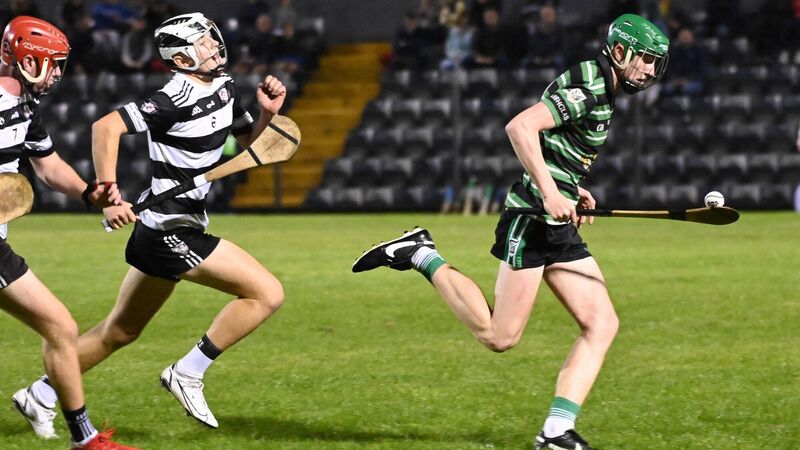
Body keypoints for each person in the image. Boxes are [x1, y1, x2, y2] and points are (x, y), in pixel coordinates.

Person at [353, 13, 669, 450]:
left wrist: (571, 188)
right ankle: (419, 253)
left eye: (655, 63)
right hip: (533, 221)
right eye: (645, 59)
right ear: (619, 51)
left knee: (601, 323)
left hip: (556, 225)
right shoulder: (591, 89)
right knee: (499, 337)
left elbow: (556, 146)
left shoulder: (601, 85)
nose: (650, 70)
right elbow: (520, 127)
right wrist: (550, 193)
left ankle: (555, 432)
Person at [15, 12, 287, 431]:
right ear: (181, 58)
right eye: (203, 42)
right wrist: (109, 194)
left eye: (211, 38)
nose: (214, 45)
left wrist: (267, 114)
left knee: (119, 332)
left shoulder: (226, 86)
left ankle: (42, 394)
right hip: (168, 229)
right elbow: (105, 127)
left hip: (172, 225)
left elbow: (249, 146)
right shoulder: (173, 98)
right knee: (266, 293)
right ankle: (188, 372)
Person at [0, 16, 136, 450]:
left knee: (61, 328)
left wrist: (90, 194)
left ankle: (84, 437)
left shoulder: (24, 104)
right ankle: (86, 440)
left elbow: (46, 163)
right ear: (28, 60)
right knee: (61, 326)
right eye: (53, 63)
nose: (58, 73)